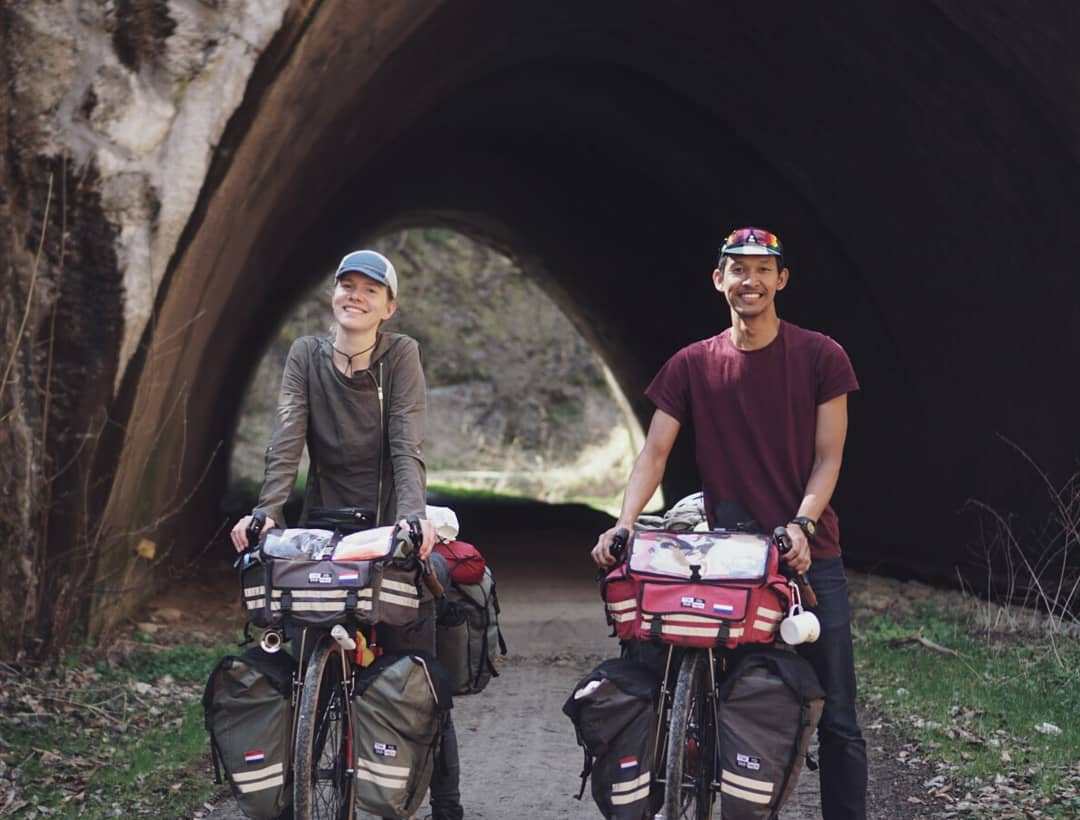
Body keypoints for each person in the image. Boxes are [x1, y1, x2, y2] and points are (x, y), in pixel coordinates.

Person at [591, 227, 867, 820]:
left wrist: (802, 524)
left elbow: (829, 457)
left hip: (807, 553)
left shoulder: (821, 356)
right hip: (727, 561)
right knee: (712, 699)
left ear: (782, 280)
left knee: (839, 716)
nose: (751, 281)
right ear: (719, 280)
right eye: (738, 269)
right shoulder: (693, 364)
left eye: (763, 269)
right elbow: (655, 452)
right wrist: (624, 525)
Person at [231, 249, 463, 820]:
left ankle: (448, 803)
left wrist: (413, 521)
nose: (354, 296)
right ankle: (299, 786)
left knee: (418, 672)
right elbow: (286, 438)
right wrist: (267, 511)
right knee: (305, 648)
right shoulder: (306, 356)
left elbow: (407, 444)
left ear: (389, 306)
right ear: (333, 295)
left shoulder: (401, 355)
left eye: (369, 289)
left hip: (390, 526)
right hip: (326, 528)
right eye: (346, 285)